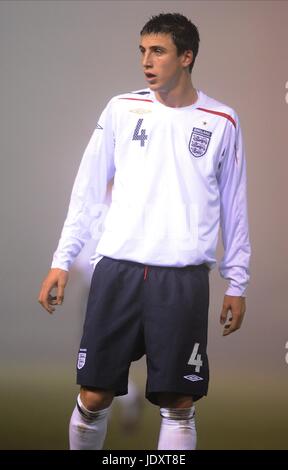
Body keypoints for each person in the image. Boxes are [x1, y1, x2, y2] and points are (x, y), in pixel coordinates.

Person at [38, 13, 251, 450]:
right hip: (118, 270)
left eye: (158, 51)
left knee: (177, 400)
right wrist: (62, 259)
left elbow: (234, 207)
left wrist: (237, 280)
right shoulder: (121, 108)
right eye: (142, 51)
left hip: (182, 279)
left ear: (186, 57)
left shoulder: (221, 121)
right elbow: (88, 189)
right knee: (94, 395)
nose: (146, 61)